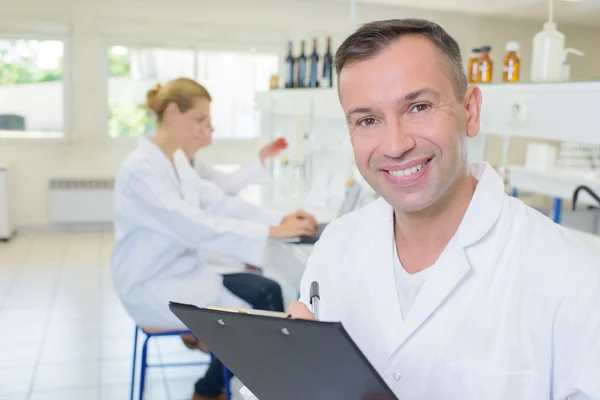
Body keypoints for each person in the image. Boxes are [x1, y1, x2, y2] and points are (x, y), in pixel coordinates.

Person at [288, 19, 600, 399]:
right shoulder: (337, 245)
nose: (395, 145)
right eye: (368, 120)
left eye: (418, 107)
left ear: (470, 111)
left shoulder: (572, 277)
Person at [111, 77, 317, 400]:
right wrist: (270, 231)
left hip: (184, 272)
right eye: (199, 119)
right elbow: (194, 225)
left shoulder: (175, 161)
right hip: (151, 284)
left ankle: (228, 379)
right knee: (254, 320)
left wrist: (279, 220)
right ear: (172, 112)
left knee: (257, 310)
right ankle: (216, 387)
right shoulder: (140, 170)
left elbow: (219, 201)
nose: (204, 128)